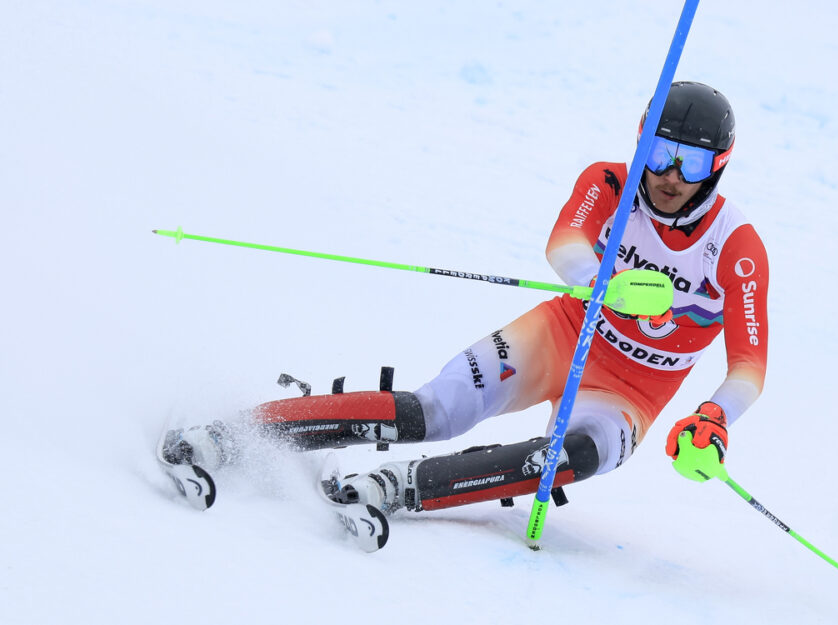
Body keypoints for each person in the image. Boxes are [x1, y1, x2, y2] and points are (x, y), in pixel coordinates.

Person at [162, 81, 768, 515]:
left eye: (689, 163)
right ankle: (237, 431)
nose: (668, 176)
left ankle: (408, 487)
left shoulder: (736, 247)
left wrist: (714, 417)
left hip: (634, 390)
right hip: (562, 336)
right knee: (434, 410)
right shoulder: (610, 182)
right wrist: (601, 284)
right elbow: (563, 245)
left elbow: (748, 366)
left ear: (718, 167)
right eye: (659, 153)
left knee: (573, 454)